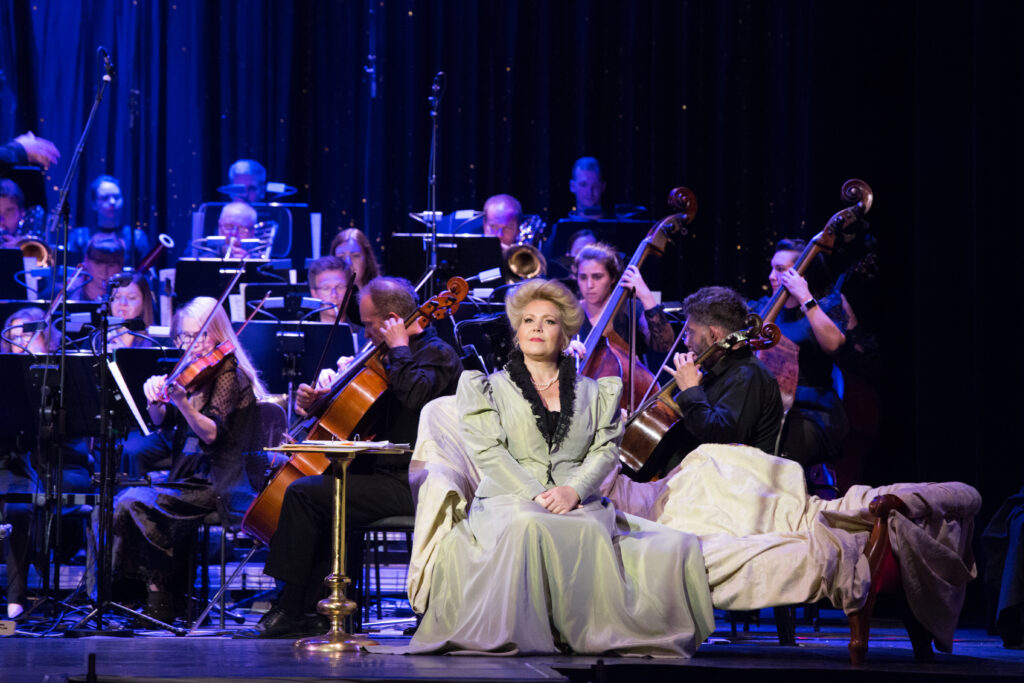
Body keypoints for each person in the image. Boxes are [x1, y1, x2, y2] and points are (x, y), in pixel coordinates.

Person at [400, 279, 714, 655]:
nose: (536, 328)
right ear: (517, 331)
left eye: (548, 322)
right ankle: (529, 633)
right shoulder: (486, 388)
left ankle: (583, 632)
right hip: (508, 496)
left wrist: (574, 491)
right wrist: (536, 492)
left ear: (564, 335)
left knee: (649, 539)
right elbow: (489, 453)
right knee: (528, 523)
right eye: (528, 320)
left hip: (576, 498)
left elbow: (605, 451)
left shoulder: (596, 392)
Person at [255, 276, 462, 638]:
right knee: (318, 493)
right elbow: (356, 414)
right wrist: (319, 403)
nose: (365, 333)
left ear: (392, 319)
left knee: (306, 494)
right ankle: (316, 610)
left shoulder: (436, 354)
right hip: (378, 474)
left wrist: (399, 348)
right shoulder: (381, 358)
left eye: (369, 325)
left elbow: (415, 397)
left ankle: (290, 608)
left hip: (415, 480)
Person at [109, 296, 268, 623]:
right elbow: (159, 421)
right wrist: (155, 398)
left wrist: (183, 403)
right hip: (188, 479)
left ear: (218, 333)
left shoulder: (231, 374)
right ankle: (153, 599)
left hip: (221, 482)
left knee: (134, 502)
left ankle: (161, 599)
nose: (192, 346)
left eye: (201, 336)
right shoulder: (193, 374)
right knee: (116, 503)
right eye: (183, 337)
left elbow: (211, 434)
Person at [2, 307, 92, 620]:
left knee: (30, 500)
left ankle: (35, 586)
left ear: (45, 336)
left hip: (65, 467)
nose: (20, 342)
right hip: (21, 466)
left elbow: (71, 428)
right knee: (17, 506)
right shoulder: (8, 380)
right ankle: (16, 597)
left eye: (28, 334)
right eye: (14, 337)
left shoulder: (63, 372)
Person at [655, 286, 784, 474]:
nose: (685, 341)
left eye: (690, 332)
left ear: (714, 335)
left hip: (730, 485)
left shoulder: (748, 375)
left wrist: (691, 390)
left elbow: (720, 440)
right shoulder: (714, 372)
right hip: (701, 478)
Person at [751, 238, 851, 470]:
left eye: (780, 270)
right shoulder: (762, 308)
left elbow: (834, 345)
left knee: (780, 455)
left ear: (801, 274)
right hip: (768, 411)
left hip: (811, 412)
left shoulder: (825, 305)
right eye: (771, 268)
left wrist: (805, 298)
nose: (770, 276)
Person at [573, 242, 674, 357]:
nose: (589, 285)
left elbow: (665, 345)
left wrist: (646, 295)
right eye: (583, 277)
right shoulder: (569, 312)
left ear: (613, 278)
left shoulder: (633, 308)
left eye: (597, 277)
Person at [68, 175, 150, 265]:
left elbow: (148, 275)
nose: (112, 202)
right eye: (105, 198)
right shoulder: (80, 236)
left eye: (117, 197)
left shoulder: (137, 237)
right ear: (94, 204)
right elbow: (71, 273)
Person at [67, 234, 126, 302]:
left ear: (121, 265)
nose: (104, 272)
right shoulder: (67, 291)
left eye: (111, 265)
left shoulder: (128, 296)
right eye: (98, 263)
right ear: (86, 260)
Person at [105, 272, 156, 350]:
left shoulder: (158, 339)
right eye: (117, 297)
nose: (122, 303)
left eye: (131, 298)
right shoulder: (97, 338)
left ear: (144, 302)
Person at [306, 255, 354, 324]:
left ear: (349, 292)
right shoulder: (303, 333)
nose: (334, 295)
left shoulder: (364, 334)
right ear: (314, 294)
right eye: (326, 288)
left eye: (340, 287)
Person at [0, 178, 26, 249]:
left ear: (21, 213)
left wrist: (17, 253)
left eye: (9, 210)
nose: (1, 220)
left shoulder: (26, 247)